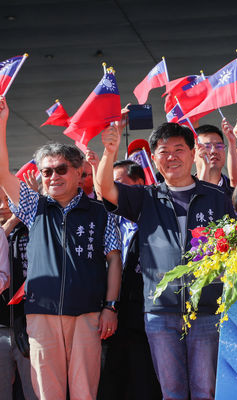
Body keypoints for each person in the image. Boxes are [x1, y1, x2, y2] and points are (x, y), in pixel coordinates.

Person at [97, 121, 235, 400]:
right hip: (160, 311)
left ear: (193, 152)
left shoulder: (217, 198)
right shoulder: (146, 198)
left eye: (179, 149)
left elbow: (234, 250)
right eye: (163, 151)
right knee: (171, 392)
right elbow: (105, 189)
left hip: (207, 310)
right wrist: (109, 151)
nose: (171, 156)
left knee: (205, 390)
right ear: (154, 158)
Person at [0, 97, 122, 400]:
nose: (53, 176)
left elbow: (115, 261)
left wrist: (111, 307)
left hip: (88, 316)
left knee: (84, 393)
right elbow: (4, 175)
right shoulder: (33, 208)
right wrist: (2, 123)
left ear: (79, 171)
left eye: (61, 169)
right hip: (41, 315)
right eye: (47, 172)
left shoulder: (100, 212)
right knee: (47, 393)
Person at [97, 160, 161, 400]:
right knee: (113, 379)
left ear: (139, 186)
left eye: (119, 183)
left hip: (143, 312)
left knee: (143, 379)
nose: (113, 189)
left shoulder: (153, 220)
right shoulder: (108, 219)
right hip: (111, 312)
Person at [0, 187, 36, 400]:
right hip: (2, 327)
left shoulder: (36, 228)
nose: (5, 206)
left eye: (9, 199)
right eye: (0, 200)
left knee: (36, 392)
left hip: (32, 326)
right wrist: (12, 221)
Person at [194, 121, 237, 197]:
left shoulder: (234, 192)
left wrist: (233, 142)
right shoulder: (184, 191)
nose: (213, 151)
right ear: (192, 155)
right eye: (207, 147)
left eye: (219, 146)